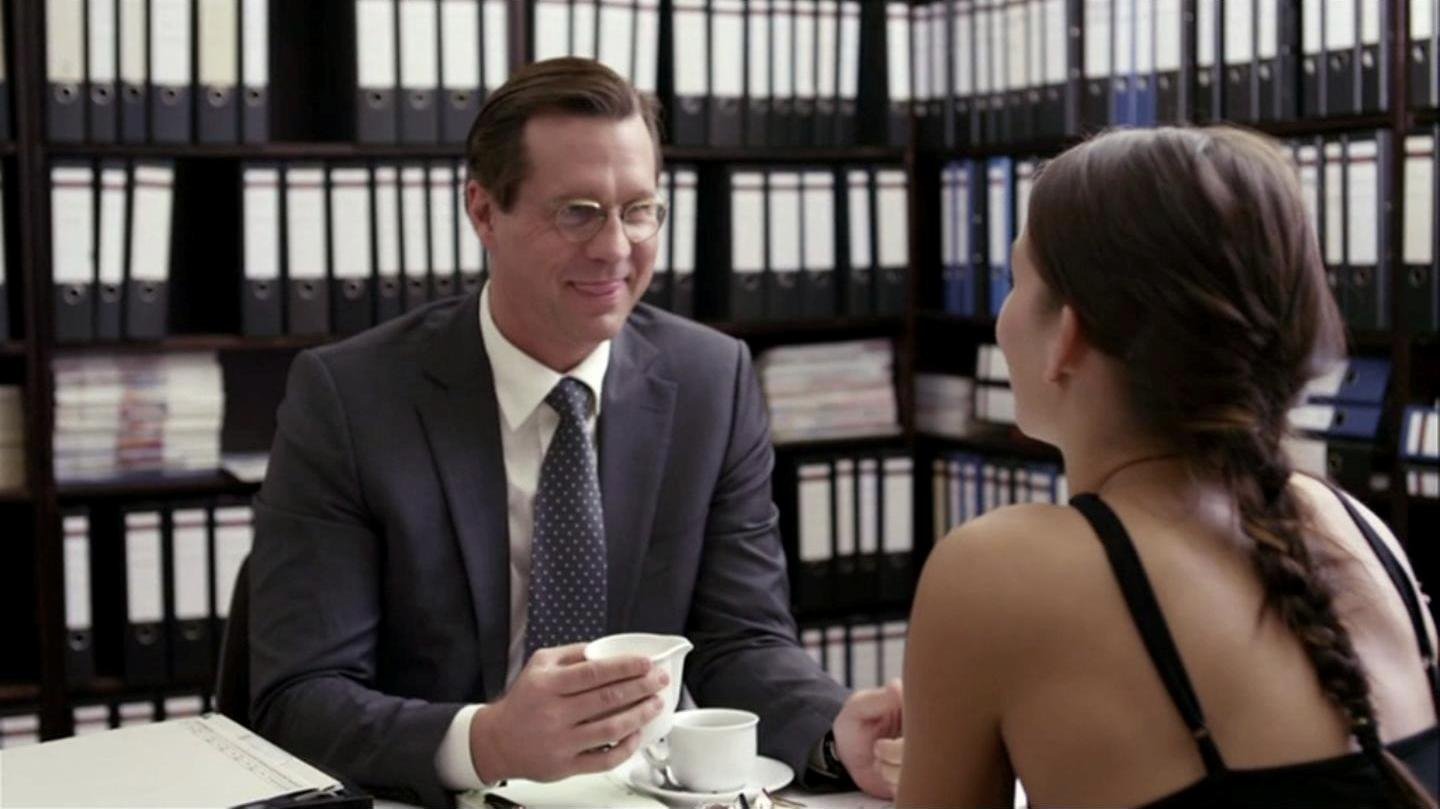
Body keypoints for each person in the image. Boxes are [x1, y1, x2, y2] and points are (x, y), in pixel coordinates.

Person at [247, 57, 901, 808]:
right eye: (578, 212)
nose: (615, 248)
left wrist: (834, 731)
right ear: (483, 212)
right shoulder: (352, 398)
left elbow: (742, 640)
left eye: (639, 210)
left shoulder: (710, 382)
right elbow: (299, 698)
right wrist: (489, 740)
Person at [898, 127, 1439, 808]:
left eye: (1015, 282)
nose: (1002, 316)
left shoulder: (996, 571)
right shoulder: (1359, 529)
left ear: (1067, 333)